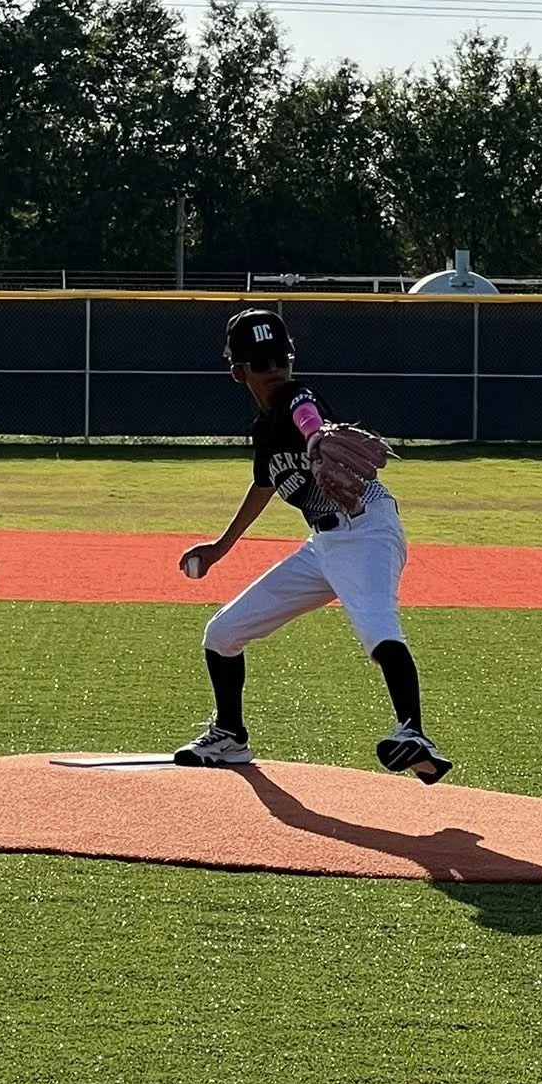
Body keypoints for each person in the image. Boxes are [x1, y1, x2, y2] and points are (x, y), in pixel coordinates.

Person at [174, 308, 451, 783]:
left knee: (377, 625)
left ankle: (413, 733)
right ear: (238, 372)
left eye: (281, 358)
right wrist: (222, 546)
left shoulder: (299, 399)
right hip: (322, 545)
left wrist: (316, 432)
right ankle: (230, 735)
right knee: (222, 633)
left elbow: (308, 414)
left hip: (366, 526)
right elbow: (264, 485)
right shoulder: (263, 430)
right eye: (262, 363)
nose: (275, 369)